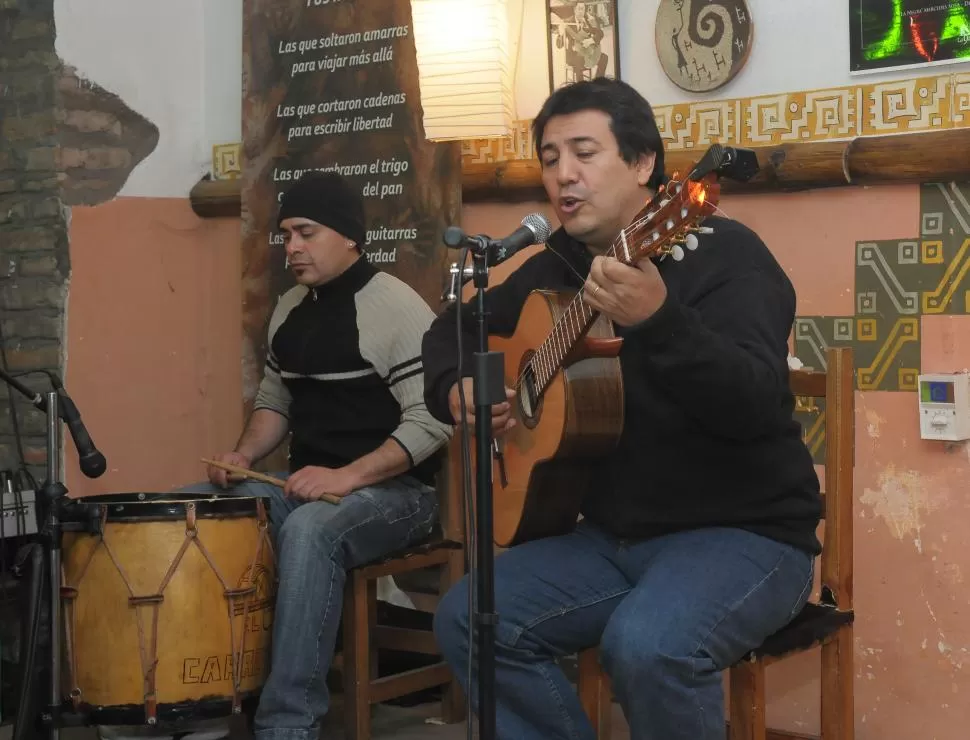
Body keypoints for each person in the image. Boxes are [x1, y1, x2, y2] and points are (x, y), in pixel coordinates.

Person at [420, 77, 822, 740]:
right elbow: (448, 331)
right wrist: (456, 387)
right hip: (611, 536)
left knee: (648, 647)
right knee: (469, 616)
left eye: (584, 153)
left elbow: (753, 401)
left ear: (642, 165)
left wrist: (660, 319)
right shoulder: (555, 266)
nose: (563, 175)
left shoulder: (726, 255)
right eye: (550, 159)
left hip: (746, 534)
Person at [187, 171, 452, 740]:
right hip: (310, 486)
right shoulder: (288, 308)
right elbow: (274, 405)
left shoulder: (394, 305)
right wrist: (239, 455)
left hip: (401, 496)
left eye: (305, 232)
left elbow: (434, 422)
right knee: (204, 507)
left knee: (310, 530)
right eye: (286, 235)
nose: (292, 248)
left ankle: (288, 725)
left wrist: (347, 476)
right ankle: (202, 701)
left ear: (350, 237)